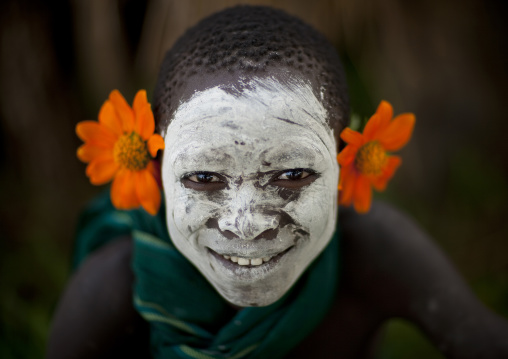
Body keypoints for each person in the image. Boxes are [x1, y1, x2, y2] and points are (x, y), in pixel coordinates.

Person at [47, 6, 508, 358]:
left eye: (292, 175)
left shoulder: (373, 253)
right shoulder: (114, 289)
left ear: (344, 165)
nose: (245, 225)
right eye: (204, 177)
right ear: (156, 171)